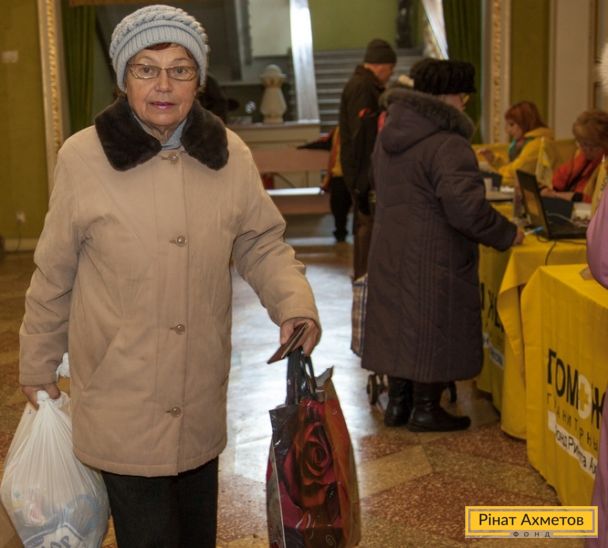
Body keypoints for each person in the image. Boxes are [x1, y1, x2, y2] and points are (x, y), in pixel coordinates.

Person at [17, 5, 320, 547]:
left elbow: (261, 242)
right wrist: (37, 363)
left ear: (197, 81)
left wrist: (294, 304)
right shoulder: (83, 157)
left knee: (197, 532)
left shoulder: (228, 154)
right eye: (146, 69)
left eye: (180, 69)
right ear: (123, 79)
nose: (163, 85)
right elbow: (54, 271)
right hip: (120, 391)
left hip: (198, 389)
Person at [361, 59, 524, 431]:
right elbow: (467, 209)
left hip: (390, 245)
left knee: (399, 321)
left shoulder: (389, 134)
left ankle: (398, 404)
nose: (465, 103)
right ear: (447, 95)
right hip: (433, 250)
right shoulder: (448, 142)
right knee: (431, 322)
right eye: (463, 95)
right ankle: (425, 408)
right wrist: (506, 233)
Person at [339, 38, 396, 278]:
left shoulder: (362, 85)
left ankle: (365, 282)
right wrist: (363, 182)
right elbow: (362, 136)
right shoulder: (363, 88)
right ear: (381, 66)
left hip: (362, 171)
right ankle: (364, 284)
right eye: (390, 69)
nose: (390, 75)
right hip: (363, 173)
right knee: (367, 229)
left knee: (367, 228)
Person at [479, 100, 554, 187]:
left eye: (511, 124)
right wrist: (494, 160)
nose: (507, 130)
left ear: (525, 123)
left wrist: (491, 177)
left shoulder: (537, 144)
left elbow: (516, 173)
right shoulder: (525, 142)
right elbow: (513, 168)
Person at [541, 110, 608, 203]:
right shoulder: (583, 157)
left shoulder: (604, 167)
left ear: (603, 143)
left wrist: (575, 197)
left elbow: (599, 202)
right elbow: (559, 178)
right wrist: (548, 190)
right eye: (580, 142)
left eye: (587, 144)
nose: (582, 148)